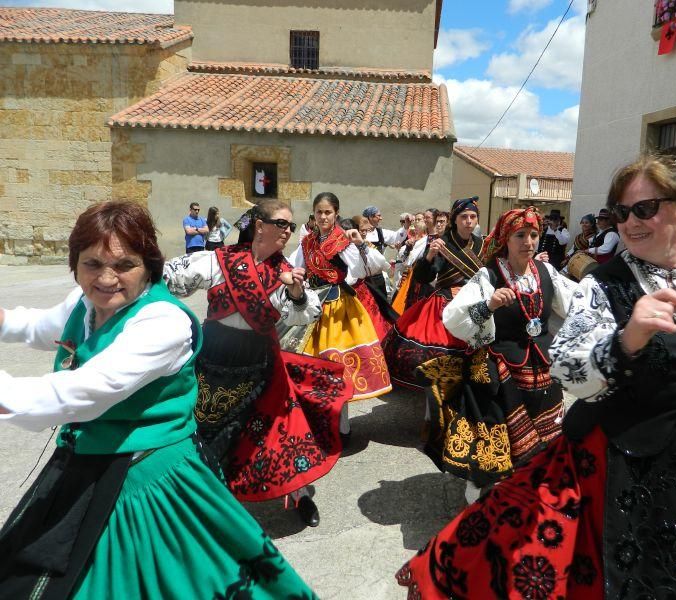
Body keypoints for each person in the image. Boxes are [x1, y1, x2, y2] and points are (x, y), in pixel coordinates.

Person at [397, 153, 676, 599]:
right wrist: (623, 340)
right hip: (625, 463)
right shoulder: (602, 285)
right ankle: (479, 482)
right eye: (622, 213)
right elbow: (570, 361)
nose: (630, 223)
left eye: (645, 209)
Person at [0, 201, 316, 599]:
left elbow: (83, 392)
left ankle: (294, 495)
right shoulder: (94, 301)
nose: (107, 277)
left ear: (147, 265)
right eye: (92, 264)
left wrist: (298, 293)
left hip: (224, 393)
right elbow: (39, 326)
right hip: (210, 367)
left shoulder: (163, 323)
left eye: (124, 265)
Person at [164, 199, 350, 528]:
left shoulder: (284, 272)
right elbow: (172, 281)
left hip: (260, 361)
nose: (288, 231)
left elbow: (304, 314)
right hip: (215, 359)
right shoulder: (220, 261)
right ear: (260, 225)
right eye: (282, 223)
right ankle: (198, 503)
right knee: (206, 432)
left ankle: (300, 494)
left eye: (291, 226)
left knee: (284, 432)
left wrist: (295, 292)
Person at [418, 206, 577, 503]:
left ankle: (530, 491)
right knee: (494, 437)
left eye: (533, 235)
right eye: (520, 235)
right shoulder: (488, 274)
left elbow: (576, 306)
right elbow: (454, 317)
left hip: (540, 365)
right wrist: (488, 306)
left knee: (546, 435)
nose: (528, 242)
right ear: (506, 238)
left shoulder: (546, 272)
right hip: (500, 366)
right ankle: (477, 498)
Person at [286, 192, 392, 413]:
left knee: (337, 365)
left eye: (328, 212)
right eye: (319, 212)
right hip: (313, 304)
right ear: (313, 215)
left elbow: (363, 270)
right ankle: (318, 417)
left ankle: (341, 425)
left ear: (336, 214)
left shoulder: (343, 240)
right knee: (310, 362)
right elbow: (294, 265)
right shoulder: (307, 242)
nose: (323, 217)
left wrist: (360, 245)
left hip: (338, 307)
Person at [382, 197, 483, 390]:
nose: (468, 221)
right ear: (455, 219)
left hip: (474, 301)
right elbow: (422, 276)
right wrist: (429, 256)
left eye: (473, 216)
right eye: (464, 217)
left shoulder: (481, 244)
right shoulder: (442, 243)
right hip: (447, 301)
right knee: (441, 349)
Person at [349, 215, 397, 339]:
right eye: (362, 231)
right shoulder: (350, 246)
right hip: (360, 285)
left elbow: (380, 261)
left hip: (374, 281)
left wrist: (388, 268)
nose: (364, 234)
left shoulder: (367, 244)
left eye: (366, 231)